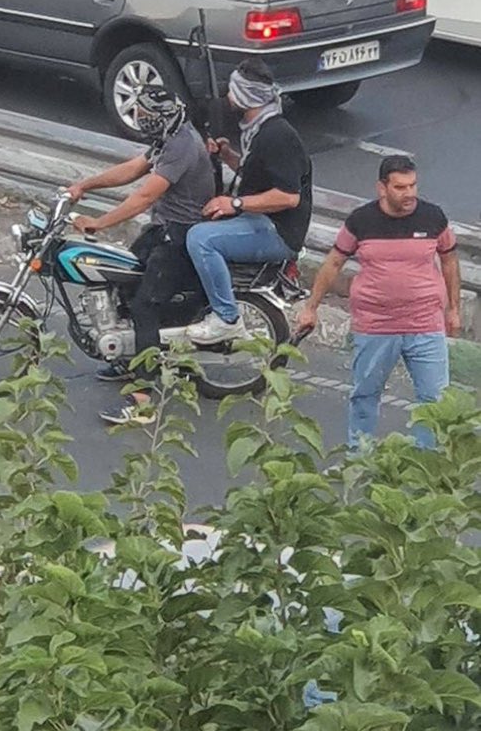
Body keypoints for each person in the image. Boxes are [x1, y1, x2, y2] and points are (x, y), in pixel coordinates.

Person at [67, 86, 215, 424]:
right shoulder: (169, 137)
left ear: (161, 116)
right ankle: (128, 359)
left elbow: (144, 197)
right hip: (161, 230)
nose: (140, 119)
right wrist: (84, 185)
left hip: (180, 237)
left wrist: (99, 222)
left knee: (144, 306)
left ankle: (143, 401)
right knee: (122, 282)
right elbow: (133, 169)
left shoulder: (182, 145)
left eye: (146, 115)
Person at [297, 155, 461, 450]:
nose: (409, 194)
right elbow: (333, 263)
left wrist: (454, 309)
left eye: (412, 185)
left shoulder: (433, 218)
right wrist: (311, 308)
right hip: (375, 326)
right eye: (400, 187)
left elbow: (449, 261)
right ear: (382, 188)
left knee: (435, 401)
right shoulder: (361, 221)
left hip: (425, 324)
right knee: (365, 396)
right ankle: (360, 458)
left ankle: (427, 460)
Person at [185, 58, 312, 345]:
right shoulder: (258, 129)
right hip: (260, 219)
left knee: (201, 239)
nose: (228, 96)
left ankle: (226, 318)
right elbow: (260, 175)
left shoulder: (278, 136)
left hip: (277, 231)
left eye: (233, 90)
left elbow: (288, 197)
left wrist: (235, 204)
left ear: (245, 96)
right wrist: (229, 156)